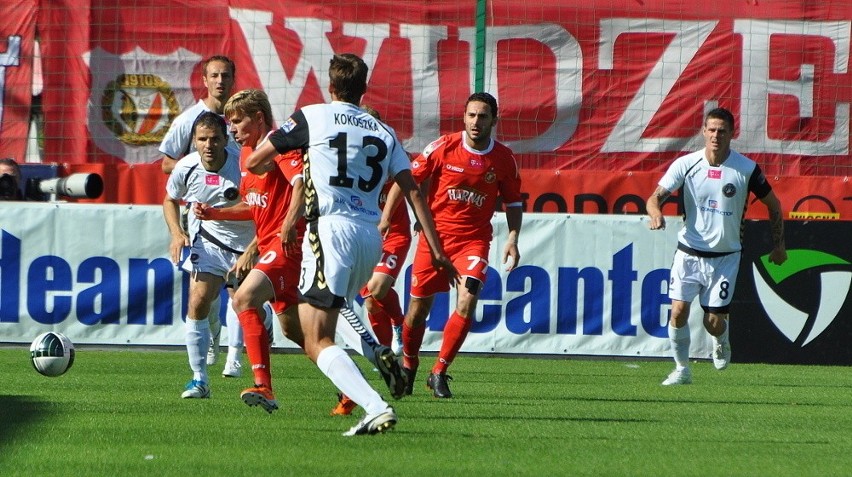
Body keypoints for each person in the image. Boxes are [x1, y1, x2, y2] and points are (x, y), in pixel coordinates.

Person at [245, 53, 456, 436]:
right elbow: (414, 192)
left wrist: (287, 156)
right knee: (336, 310)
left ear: (330, 86)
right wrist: (438, 250)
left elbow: (257, 161)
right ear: (363, 89)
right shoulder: (383, 131)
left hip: (329, 230)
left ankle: (374, 405)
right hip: (369, 237)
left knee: (314, 337)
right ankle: (375, 352)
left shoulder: (313, 115)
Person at [385, 92, 523, 399]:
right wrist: (385, 219)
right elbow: (405, 180)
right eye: (472, 115)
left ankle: (439, 372)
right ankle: (409, 365)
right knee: (418, 310)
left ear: (494, 121)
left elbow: (513, 202)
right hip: (435, 241)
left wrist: (513, 237)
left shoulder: (503, 159)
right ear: (464, 117)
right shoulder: (442, 147)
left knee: (467, 300)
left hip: (473, 242)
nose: (476, 122)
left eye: (483, 116)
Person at [646, 107, 787, 385]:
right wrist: (655, 213)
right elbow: (654, 197)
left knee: (712, 323)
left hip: (725, 258)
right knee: (677, 311)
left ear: (732, 134)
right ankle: (681, 369)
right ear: (703, 131)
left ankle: (721, 338)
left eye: (722, 130)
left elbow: (774, 205)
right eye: (711, 129)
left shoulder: (746, 169)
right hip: (688, 252)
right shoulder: (686, 164)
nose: (716, 135)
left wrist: (779, 246)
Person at [158, 55, 244, 376]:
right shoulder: (190, 119)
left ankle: (234, 358)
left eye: (225, 75)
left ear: (233, 79)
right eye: (214, 75)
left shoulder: (241, 115)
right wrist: (201, 160)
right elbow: (167, 162)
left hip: (238, 218)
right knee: (202, 298)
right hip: (199, 220)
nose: (220, 81)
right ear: (204, 80)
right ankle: (213, 334)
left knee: (238, 292)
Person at [162, 112, 255, 398]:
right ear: (194, 141)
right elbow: (169, 199)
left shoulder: (244, 166)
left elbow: (259, 207)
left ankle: (249, 364)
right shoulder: (186, 167)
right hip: (210, 242)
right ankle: (199, 379)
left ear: (226, 140)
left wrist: (255, 246)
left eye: (215, 139)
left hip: (248, 245)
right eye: (202, 139)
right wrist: (177, 233)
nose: (209, 145)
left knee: (254, 309)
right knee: (198, 301)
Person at [332, 105, 412, 417]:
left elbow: (405, 187)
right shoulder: (348, 158)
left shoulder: (388, 149)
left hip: (392, 233)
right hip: (363, 232)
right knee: (369, 301)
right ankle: (381, 358)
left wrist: (388, 217)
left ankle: (398, 324)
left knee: (376, 289)